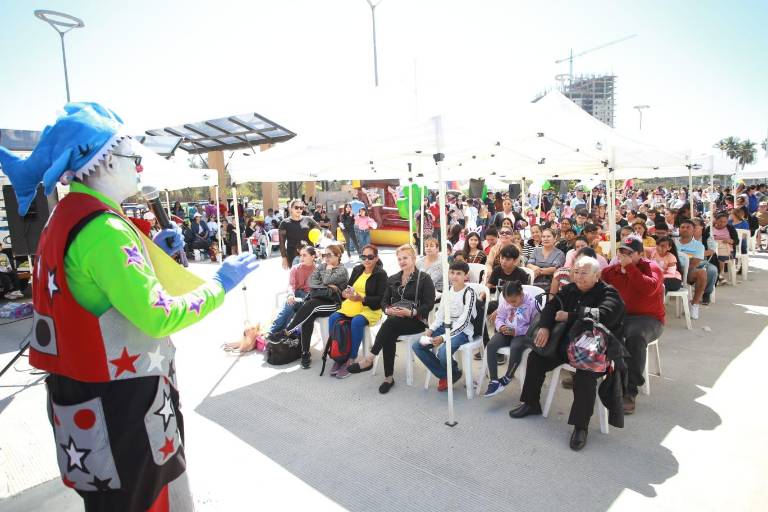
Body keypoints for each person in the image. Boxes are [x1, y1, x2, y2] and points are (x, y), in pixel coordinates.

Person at [0, 103, 260, 510]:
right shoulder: (104, 230)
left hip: (84, 398)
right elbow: (158, 316)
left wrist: (147, 252)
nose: (138, 168)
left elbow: (89, 287)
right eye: (131, 157)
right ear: (98, 162)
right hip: (123, 406)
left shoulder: (65, 217)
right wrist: (219, 285)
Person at [509, 256, 625, 451]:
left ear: (597, 275)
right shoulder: (570, 289)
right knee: (536, 357)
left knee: (585, 378)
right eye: (576, 272)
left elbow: (605, 314)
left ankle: (581, 427)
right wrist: (545, 327)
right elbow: (550, 307)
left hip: (592, 350)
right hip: (565, 344)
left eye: (584, 273)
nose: (578, 276)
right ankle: (531, 403)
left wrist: (571, 315)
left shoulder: (609, 293)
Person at [347, 244, 436, 394]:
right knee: (390, 328)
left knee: (390, 324)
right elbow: (384, 301)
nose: (402, 261)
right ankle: (388, 377)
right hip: (395, 319)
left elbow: (429, 304)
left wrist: (412, 312)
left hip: (416, 321)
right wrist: (387, 309)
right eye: (399, 259)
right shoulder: (393, 278)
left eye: (405, 258)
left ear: (414, 259)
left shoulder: (424, 279)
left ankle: (371, 358)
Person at [601, 237, 665, 414]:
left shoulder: (652, 268)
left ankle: (629, 390)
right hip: (621, 316)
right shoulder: (610, 271)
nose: (624, 256)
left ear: (640, 254)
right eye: (622, 252)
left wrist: (630, 268)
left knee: (634, 337)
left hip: (649, 319)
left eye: (629, 253)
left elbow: (648, 288)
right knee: (590, 326)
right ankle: (585, 372)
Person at [412, 261, 484, 391]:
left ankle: (449, 374)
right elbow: (440, 316)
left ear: (466, 276)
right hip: (444, 327)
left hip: (462, 331)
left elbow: (464, 322)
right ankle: (449, 374)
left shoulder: (469, 293)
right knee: (417, 346)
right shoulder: (447, 291)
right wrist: (431, 330)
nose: (454, 276)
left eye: (459, 273)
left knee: (444, 352)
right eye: (452, 273)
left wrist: (443, 338)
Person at [283, 244, 348, 369]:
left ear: (338, 255)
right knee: (309, 315)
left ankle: (288, 330)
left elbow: (326, 280)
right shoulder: (322, 266)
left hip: (334, 304)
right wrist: (327, 284)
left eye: (329, 255)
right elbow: (311, 282)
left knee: (311, 305)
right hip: (319, 300)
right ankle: (305, 353)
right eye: (324, 255)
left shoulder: (342, 270)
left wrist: (328, 271)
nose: (326, 258)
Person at [327, 245, 388, 378]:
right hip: (352, 305)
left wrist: (362, 298)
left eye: (370, 257)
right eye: (363, 257)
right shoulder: (357, 269)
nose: (366, 260)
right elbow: (348, 287)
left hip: (370, 309)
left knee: (357, 321)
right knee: (333, 318)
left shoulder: (380, 274)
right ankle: (339, 357)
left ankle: (351, 358)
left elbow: (381, 299)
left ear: (376, 258)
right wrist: (345, 293)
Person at [483, 281, 539, 397]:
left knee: (516, 347)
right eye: (508, 301)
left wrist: (517, 331)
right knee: (491, 345)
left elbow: (535, 326)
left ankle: (508, 376)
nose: (511, 304)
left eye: (514, 301)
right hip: (506, 331)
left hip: (523, 334)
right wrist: (501, 326)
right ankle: (494, 381)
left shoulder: (532, 304)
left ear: (521, 294)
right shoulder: (506, 301)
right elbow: (500, 317)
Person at [266, 246, 317, 338]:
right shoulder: (295, 268)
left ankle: (279, 332)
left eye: (304, 255)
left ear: (313, 257)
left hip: (309, 298)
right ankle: (273, 332)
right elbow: (291, 284)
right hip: (296, 293)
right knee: (289, 304)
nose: (301, 258)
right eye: (301, 255)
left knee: (297, 306)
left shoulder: (317, 270)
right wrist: (290, 295)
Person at [675, 219, 707, 320]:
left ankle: (694, 304)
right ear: (679, 230)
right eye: (682, 227)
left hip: (687, 271)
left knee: (702, 273)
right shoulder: (672, 242)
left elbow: (694, 263)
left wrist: (682, 269)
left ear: (693, 230)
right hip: (672, 271)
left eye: (688, 227)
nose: (685, 229)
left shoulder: (698, 246)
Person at [279, 199, 319, 270]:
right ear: (291, 208)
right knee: (297, 280)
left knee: (311, 279)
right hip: (293, 256)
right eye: (296, 207)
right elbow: (282, 242)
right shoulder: (284, 223)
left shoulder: (308, 220)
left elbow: (319, 230)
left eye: (301, 207)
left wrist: (326, 236)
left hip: (309, 255)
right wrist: (284, 258)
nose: (299, 209)